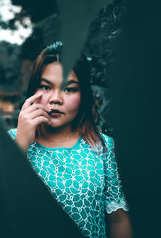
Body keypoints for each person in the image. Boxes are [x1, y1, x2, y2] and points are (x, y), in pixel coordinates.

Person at [8, 42, 132, 238]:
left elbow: (119, 220)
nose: (55, 98)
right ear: (34, 90)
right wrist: (21, 144)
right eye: (45, 86)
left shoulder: (104, 147)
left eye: (69, 89)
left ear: (84, 95)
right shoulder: (11, 142)